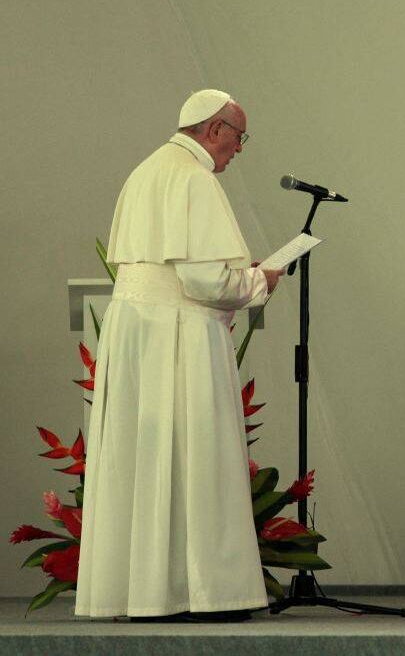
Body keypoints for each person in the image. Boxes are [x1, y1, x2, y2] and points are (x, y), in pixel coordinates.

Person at [75, 89, 283, 622]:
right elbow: (204, 280)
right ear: (215, 130)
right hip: (179, 334)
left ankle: (141, 594)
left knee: (143, 460)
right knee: (195, 456)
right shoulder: (194, 178)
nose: (239, 150)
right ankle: (202, 595)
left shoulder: (145, 171)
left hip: (133, 330)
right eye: (239, 138)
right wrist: (259, 280)